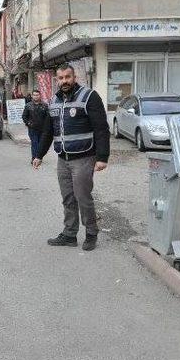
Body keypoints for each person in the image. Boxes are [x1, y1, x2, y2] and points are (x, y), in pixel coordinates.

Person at [33, 63, 110, 251]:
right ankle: (69, 234)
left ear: (74, 78)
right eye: (60, 78)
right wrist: (39, 154)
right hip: (63, 158)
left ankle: (91, 232)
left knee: (82, 197)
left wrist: (102, 157)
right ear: (56, 80)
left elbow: (101, 128)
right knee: (67, 198)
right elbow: (48, 131)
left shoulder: (89, 96)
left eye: (68, 77)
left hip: (84, 157)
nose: (64, 81)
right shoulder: (53, 102)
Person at [22, 90, 49, 163]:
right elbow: (24, 116)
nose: (36, 96)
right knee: (34, 143)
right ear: (32, 96)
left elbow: (48, 117)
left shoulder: (45, 105)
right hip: (32, 128)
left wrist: (47, 126)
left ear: (40, 95)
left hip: (42, 129)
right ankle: (34, 158)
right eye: (34, 95)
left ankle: (39, 158)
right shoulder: (28, 105)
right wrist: (28, 123)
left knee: (41, 144)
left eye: (37, 95)